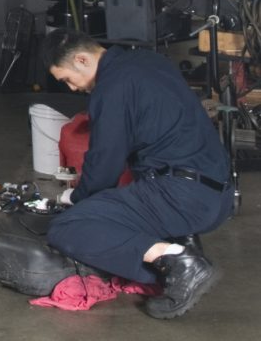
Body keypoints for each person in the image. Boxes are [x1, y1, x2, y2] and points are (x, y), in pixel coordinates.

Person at [45, 30, 233, 319]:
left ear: (82, 59)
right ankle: (183, 243)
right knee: (130, 193)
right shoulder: (148, 61)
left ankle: (180, 264)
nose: (71, 88)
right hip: (219, 194)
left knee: (68, 227)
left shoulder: (111, 88)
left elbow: (104, 166)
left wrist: (79, 200)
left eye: (67, 79)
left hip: (181, 196)